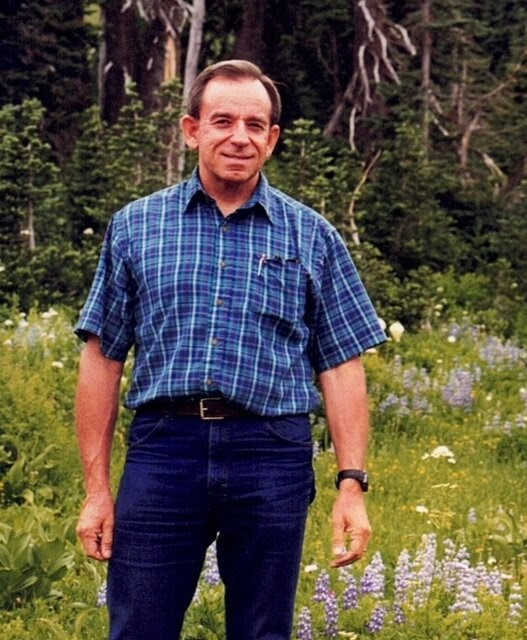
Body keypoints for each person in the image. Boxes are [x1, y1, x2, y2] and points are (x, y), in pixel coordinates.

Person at [74, 59, 386, 640]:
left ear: (272, 138)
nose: (238, 137)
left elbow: (342, 363)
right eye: (222, 121)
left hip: (271, 452)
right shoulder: (135, 226)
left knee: (263, 631)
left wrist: (352, 486)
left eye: (254, 124)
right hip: (165, 451)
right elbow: (102, 356)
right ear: (193, 129)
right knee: (138, 626)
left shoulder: (312, 235)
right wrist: (97, 490)